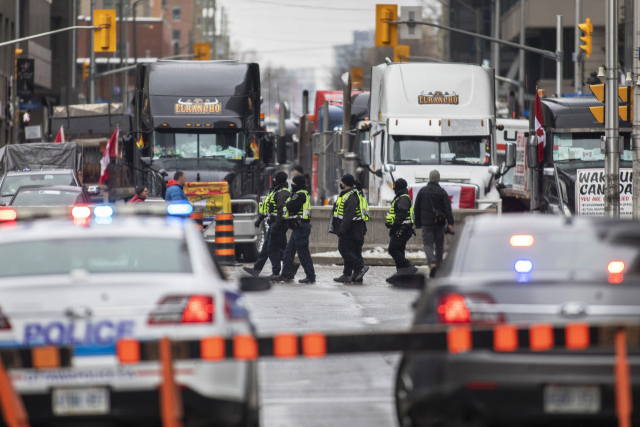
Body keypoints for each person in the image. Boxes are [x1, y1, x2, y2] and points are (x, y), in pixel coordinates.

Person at [243, 172, 295, 278]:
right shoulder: (276, 191)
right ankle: (257, 270)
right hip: (275, 223)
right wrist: (260, 219)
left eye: (275, 179)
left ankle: (277, 272)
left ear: (279, 180)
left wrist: (276, 226)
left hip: (278, 225)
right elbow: (270, 209)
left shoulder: (283, 193)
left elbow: (281, 212)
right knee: (268, 249)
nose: (273, 180)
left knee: (272, 249)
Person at [273, 175, 315, 283]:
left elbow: (291, 206)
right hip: (297, 227)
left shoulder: (300, 194)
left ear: (299, 184)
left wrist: (287, 202)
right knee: (288, 251)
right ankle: (285, 274)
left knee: (303, 253)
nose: (292, 185)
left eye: (294, 183)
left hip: (301, 226)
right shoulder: (298, 194)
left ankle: (310, 276)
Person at [414, 170, 454, 277]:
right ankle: (439, 267)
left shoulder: (422, 191)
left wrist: (417, 223)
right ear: (438, 179)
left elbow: (416, 208)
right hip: (439, 223)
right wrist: (450, 222)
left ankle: (432, 263)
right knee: (439, 245)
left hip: (426, 223)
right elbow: (447, 208)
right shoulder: (442, 192)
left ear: (429, 178)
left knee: (428, 244)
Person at [332, 174, 368, 283]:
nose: (341, 183)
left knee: (344, 249)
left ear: (345, 183)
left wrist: (342, 229)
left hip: (351, 228)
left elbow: (348, 215)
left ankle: (360, 267)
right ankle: (349, 275)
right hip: (356, 227)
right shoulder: (351, 194)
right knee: (354, 251)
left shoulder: (351, 196)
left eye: (342, 181)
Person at [385, 178, 418, 282]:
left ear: (398, 186)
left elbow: (402, 214)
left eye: (395, 186)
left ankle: (408, 267)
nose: (393, 188)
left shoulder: (403, 198)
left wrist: (393, 228)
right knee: (399, 250)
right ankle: (401, 274)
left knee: (393, 249)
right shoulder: (402, 197)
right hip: (403, 228)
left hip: (402, 228)